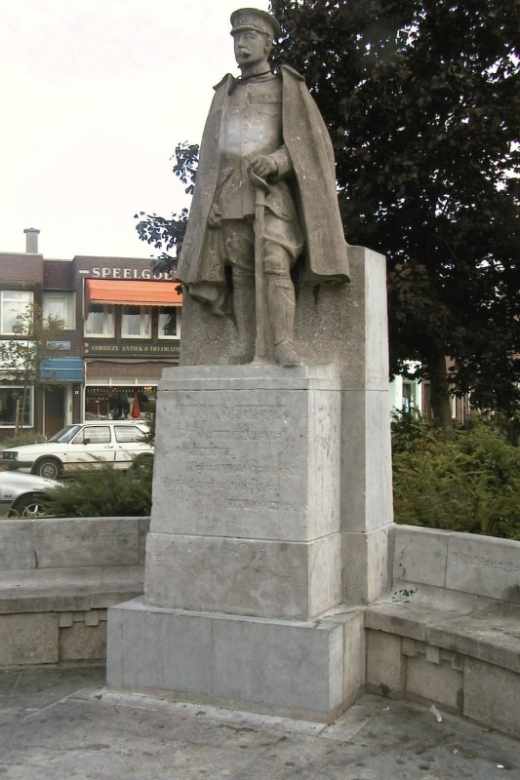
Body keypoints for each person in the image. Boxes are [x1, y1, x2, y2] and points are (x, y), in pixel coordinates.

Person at [176, 7, 350, 366]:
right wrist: (212, 202)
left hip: (273, 196)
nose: (241, 44)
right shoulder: (224, 94)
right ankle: (244, 342)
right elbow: (214, 155)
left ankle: (283, 343)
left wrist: (276, 162)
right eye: (237, 38)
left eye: (249, 37)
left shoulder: (287, 87)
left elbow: (309, 146)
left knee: (274, 261)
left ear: (268, 43)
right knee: (240, 272)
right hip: (231, 194)